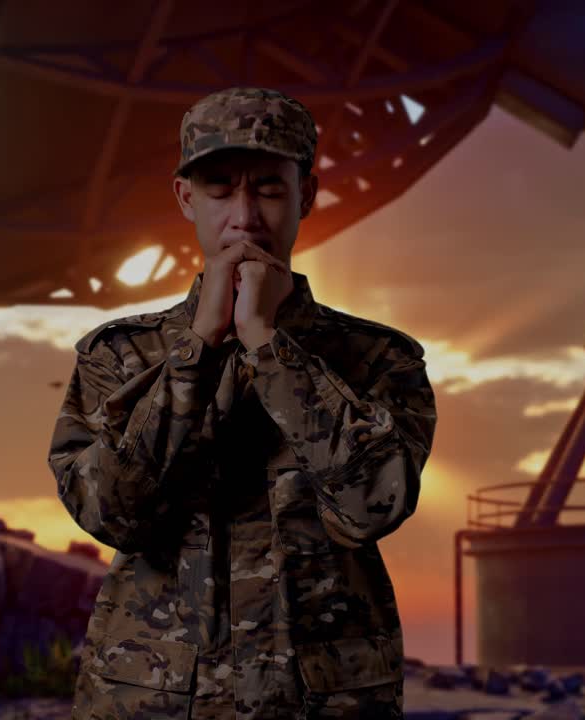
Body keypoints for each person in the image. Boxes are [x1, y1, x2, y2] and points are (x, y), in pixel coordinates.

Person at [49, 86, 437, 719]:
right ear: (186, 199)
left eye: (270, 189)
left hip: (321, 703)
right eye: (221, 189)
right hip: (153, 700)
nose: (246, 216)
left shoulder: (379, 361)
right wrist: (197, 348)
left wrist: (267, 343)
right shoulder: (120, 356)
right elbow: (111, 515)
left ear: (307, 196)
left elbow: (371, 507)